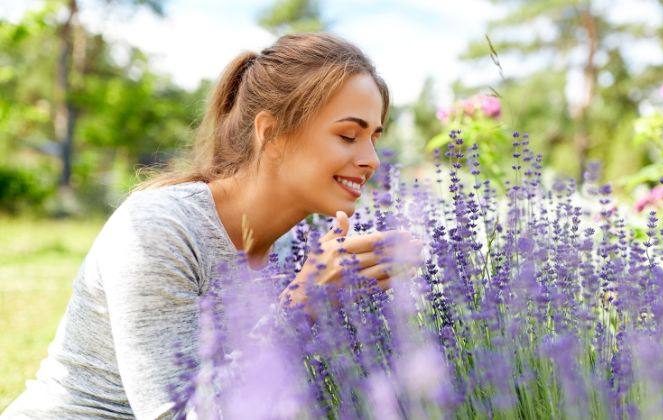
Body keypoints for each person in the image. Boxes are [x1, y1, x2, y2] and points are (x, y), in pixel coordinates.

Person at [2, 32, 420, 419]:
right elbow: (176, 415)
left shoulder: (300, 247)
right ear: (271, 134)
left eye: (374, 138)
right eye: (349, 136)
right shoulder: (160, 229)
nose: (372, 159)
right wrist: (302, 305)